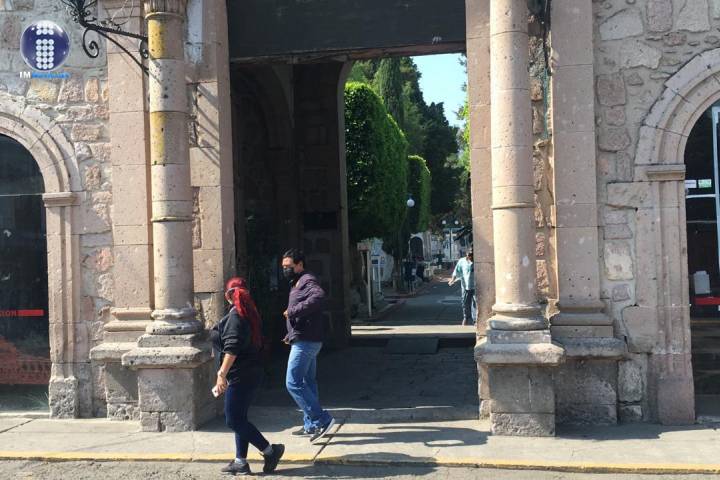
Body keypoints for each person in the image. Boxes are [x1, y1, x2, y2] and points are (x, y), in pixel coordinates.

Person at [211, 277, 285, 475]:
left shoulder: (236, 317)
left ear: (228, 296)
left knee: (233, 419)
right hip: (251, 372)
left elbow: (232, 349)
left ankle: (270, 451)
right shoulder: (250, 314)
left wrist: (221, 375)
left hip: (240, 375)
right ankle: (240, 461)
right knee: (240, 417)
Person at [281, 249, 335, 443]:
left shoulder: (307, 281)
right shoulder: (297, 282)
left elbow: (319, 297)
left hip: (306, 342)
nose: (285, 270)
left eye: (289, 266)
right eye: (284, 267)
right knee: (308, 382)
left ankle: (322, 419)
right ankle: (310, 424)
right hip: (305, 339)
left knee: (293, 382)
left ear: (300, 264)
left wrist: (293, 311)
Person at [449, 250, 477, 326]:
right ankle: (466, 317)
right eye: (469, 256)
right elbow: (456, 271)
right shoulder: (461, 261)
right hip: (465, 285)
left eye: (472, 256)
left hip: (476, 285)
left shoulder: (477, 260)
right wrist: (452, 279)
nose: (470, 258)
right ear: (467, 255)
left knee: (475, 302)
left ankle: (475, 320)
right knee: (465, 302)